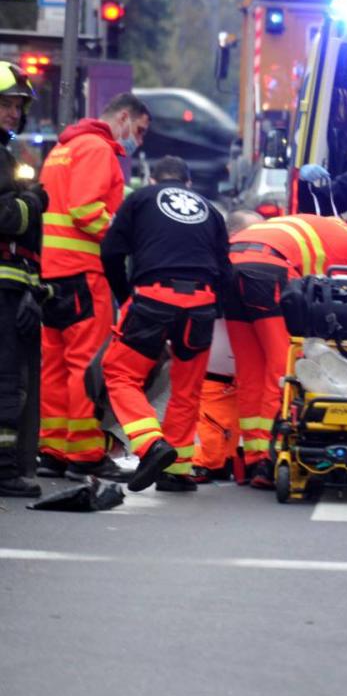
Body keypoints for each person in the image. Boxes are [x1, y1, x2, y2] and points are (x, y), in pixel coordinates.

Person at [99, 157, 232, 492]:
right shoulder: (210, 209)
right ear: (187, 184)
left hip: (153, 297)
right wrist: (212, 310)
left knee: (120, 374)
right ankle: (176, 471)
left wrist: (124, 295)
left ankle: (150, 444)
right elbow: (224, 269)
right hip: (201, 303)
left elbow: (111, 251)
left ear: (151, 179)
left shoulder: (141, 199)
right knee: (187, 389)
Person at [226, 213, 347, 486]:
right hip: (267, 270)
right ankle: (270, 456)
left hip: (229, 263)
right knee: (283, 365)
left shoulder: (320, 226)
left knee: (250, 369)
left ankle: (254, 458)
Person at [37, 92, 145, 480]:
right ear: (124, 117)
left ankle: (52, 450)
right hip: (84, 272)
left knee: (54, 364)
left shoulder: (61, 150)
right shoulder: (99, 149)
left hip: (51, 272)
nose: (138, 140)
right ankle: (83, 454)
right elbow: (86, 210)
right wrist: (121, 241)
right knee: (84, 366)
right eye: (140, 130)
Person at [0, 63, 46, 498]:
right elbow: (7, 219)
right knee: (5, 380)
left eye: (17, 106)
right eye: (5, 104)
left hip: (14, 288)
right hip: (2, 292)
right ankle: (3, 470)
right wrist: (33, 201)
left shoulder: (7, 155)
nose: (12, 113)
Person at [193, 209, 263, 483]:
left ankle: (239, 460)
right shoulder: (214, 266)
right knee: (208, 454)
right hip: (214, 378)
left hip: (244, 382)